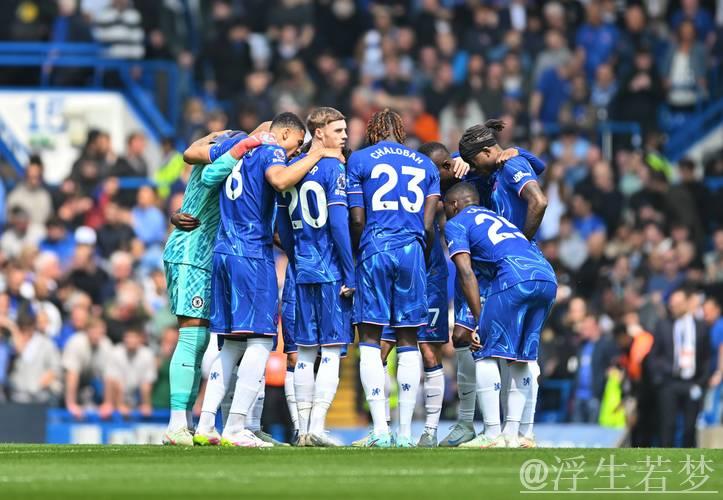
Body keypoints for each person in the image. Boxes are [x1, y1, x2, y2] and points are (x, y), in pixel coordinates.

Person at [194, 112, 344, 448]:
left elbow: (193, 154)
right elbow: (279, 180)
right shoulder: (272, 149)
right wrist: (318, 154)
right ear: (285, 133)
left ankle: (206, 424)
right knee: (261, 341)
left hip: (223, 251)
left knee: (232, 344)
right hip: (250, 253)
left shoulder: (238, 147)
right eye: (296, 144)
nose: (295, 152)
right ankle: (236, 427)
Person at [161, 129, 272, 445]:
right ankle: (176, 424)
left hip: (211, 256)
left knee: (211, 341)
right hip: (191, 252)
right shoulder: (230, 149)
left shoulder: (243, 156)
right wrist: (243, 145)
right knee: (192, 336)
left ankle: (194, 424)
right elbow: (208, 174)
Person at [347, 109, 441, 448]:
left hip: (375, 247)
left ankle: (380, 430)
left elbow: (357, 219)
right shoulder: (426, 165)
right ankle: (404, 433)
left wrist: (358, 254)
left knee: (370, 339)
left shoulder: (359, 160)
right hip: (412, 251)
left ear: (373, 131)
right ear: (400, 132)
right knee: (408, 339)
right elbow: (428, 226)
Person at [443, 182, 557, 448]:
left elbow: (466, 273)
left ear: (455, 205)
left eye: (445, 207)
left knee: (484, 351)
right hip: (546, 277)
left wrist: (479, 320)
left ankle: (492, 433)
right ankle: (516, 435)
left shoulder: (457, 223)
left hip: (514, 279)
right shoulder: (499, 218)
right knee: (522, 358)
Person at [456, 120, 548, 447]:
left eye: (474, 161)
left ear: (485, 152)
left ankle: (499, 432)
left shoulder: (511, 165)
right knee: (519, 352)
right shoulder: (498, 166)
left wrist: (520, 243)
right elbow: (540, 164)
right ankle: (520, 433)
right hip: (519, 266)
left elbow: (539, 201)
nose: (474, 169)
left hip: (513, 265)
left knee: (491, 347)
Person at [277, 107, 354, 447]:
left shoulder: (292, 168)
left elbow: (282, 226)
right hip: (330, 268)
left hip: (301, 268)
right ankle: (318, 426)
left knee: (305, 352)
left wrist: (296, 258)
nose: (345, 136)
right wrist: (350, 272)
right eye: (338, 130)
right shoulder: (333, 167)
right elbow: (338, 224)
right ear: (319, 132)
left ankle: (303, 430)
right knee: (332, 350)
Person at [649, 288, 711, 447]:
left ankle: (686, 459)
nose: (674, 307)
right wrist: (661, 375)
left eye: (678, 304)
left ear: (687, 303)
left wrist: (701, 382)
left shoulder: (700, 326)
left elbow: (706, 357)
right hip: (669, 382)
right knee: (668, 426)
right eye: (672, 304)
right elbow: (654, 356)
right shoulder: (663, 325)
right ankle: (667, 460)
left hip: (692, 382)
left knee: (689, 428)